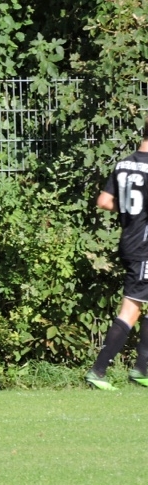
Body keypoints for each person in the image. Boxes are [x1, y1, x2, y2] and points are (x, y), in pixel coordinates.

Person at [86, 121, 148, 391]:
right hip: (144, 248)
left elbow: (103, 201)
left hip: (129, 241)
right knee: (130, 309)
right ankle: (98, 371)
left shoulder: (124, 164)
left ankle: (141, 369)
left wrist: (130, 212)